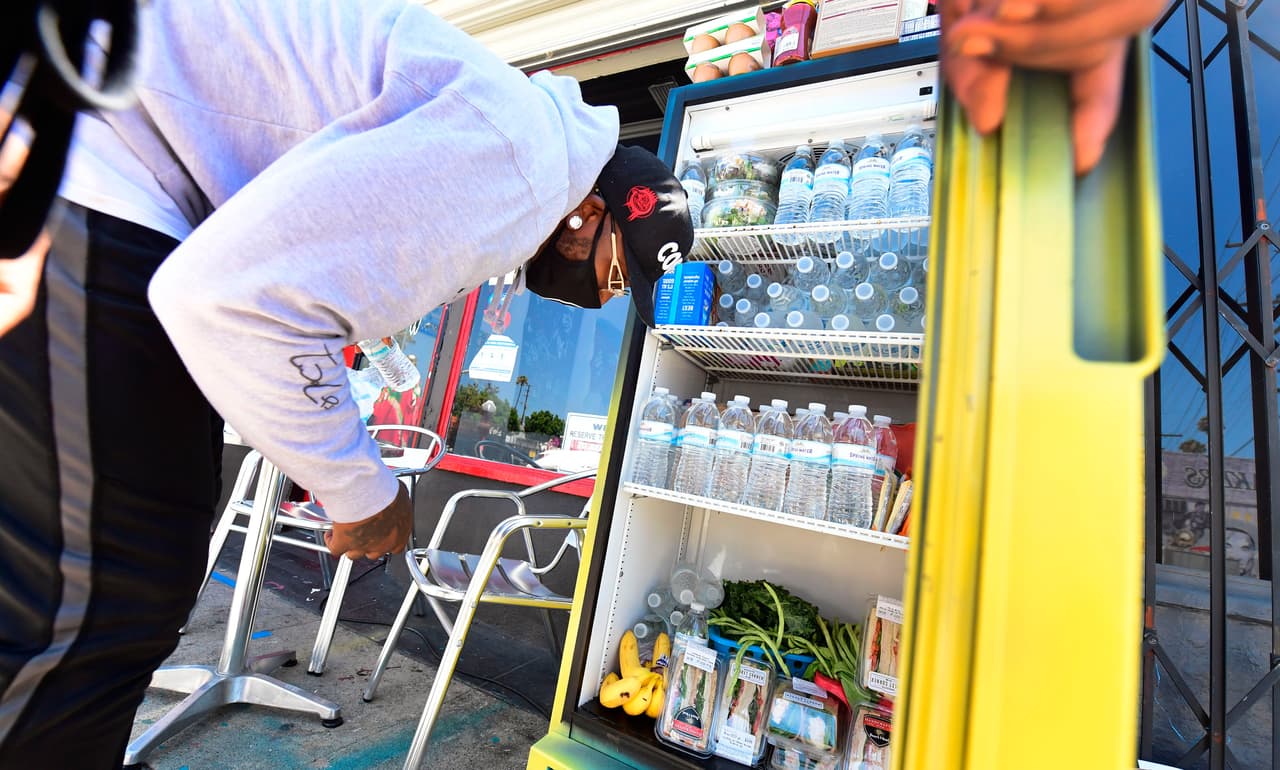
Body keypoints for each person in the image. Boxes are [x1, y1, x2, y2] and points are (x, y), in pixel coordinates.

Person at [0, 2, 691, 767]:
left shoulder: (505, 124)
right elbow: (231, 304)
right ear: (585, 214)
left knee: (97, 592)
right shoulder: (524, 165)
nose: (600, 297)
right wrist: (365, 494)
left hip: (95, 154)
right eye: (616, 272)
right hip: (96, 168)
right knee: (106, 598)